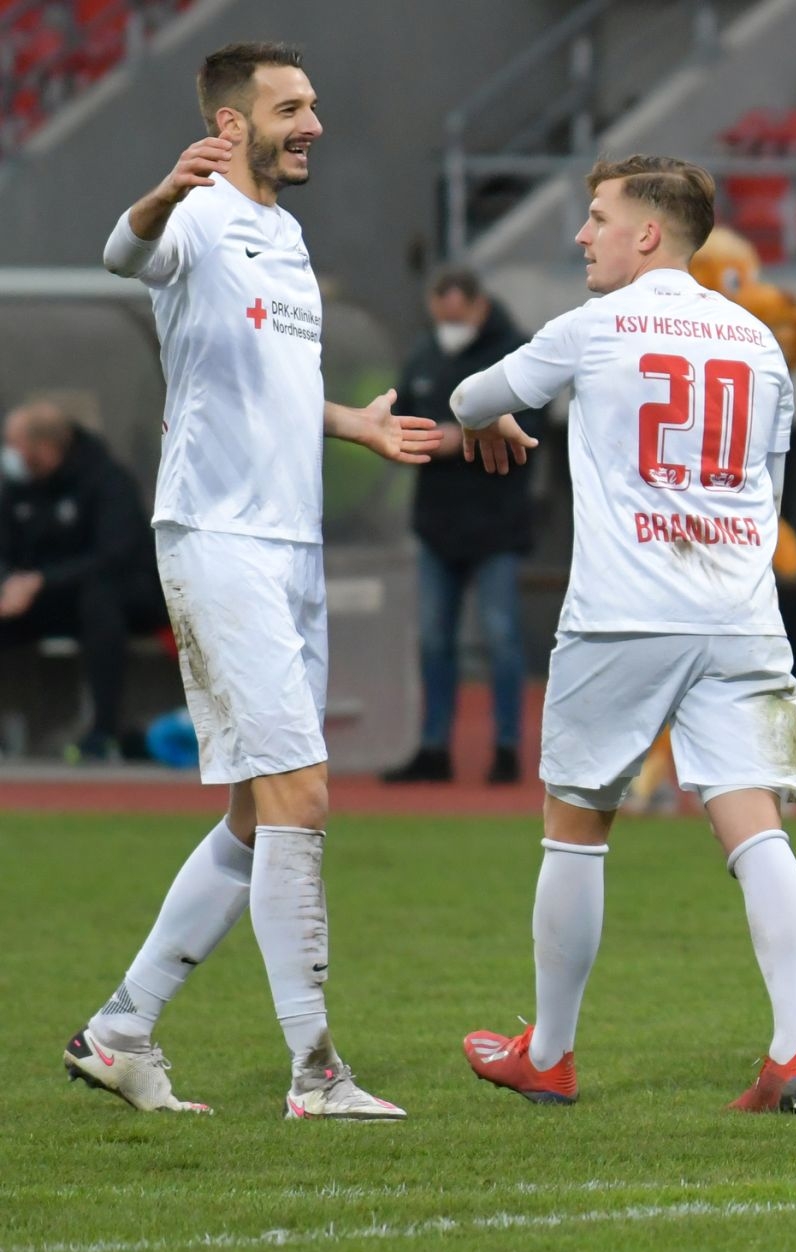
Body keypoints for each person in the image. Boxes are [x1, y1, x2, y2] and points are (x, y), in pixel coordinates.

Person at [70, 41, 438, 1118]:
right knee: (302, 792)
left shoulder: (283, 232)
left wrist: (350, 421)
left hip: (290, 540)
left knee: (252, 811)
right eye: (291, 106)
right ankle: (316, 1072)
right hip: (217, 532)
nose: (312, 121)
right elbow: (117, 255)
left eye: (313, 102)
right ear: (230, 125)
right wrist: (157, 194)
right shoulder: (194, 214)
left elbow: (270, 377)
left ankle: (120, 1029)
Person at [449, 155, 796, 1114]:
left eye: (597, 216)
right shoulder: (760, 342)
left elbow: (465, 400)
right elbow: (768, 490)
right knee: (755, 826)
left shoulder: (596, 326)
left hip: (623, 614)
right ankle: (795, 1047)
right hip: (740, 613)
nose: (582, 235)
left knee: (576, 828)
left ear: (647, 233)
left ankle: (553, 1053)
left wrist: (496, 421)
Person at [381, 265, 534, 786]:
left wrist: (459, 436)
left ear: (478, 307)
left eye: (458, 315)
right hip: (436, 525)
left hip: (496, 524)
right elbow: (403, 417)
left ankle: (508, 748)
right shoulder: (424, 354)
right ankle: (433, 746)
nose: (449, 324)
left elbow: (529, 430)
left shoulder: (516, 353)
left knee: (502, 638)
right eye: (440, 314)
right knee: (432, 641)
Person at [0, 399, 168, 760]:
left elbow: (115, 557)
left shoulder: (107, 480)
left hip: (124, 599)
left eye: (14, 445)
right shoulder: (19, 488)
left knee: (99, 599)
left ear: (43, 448)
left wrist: (41, 581)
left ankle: (103, 733)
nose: (8, 455)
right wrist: (11, 585)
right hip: (48, 600)